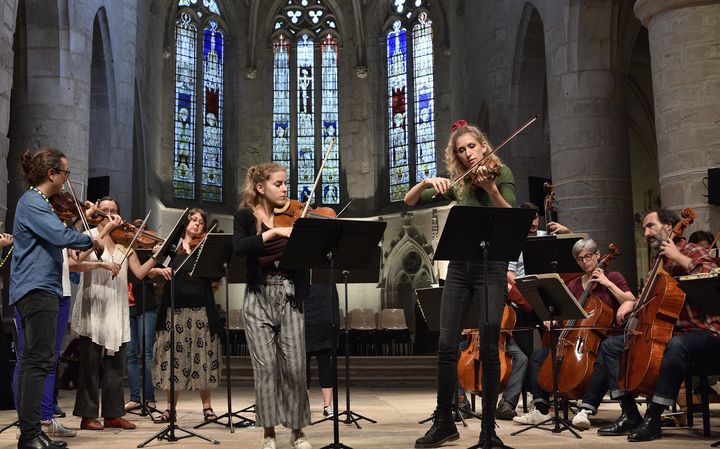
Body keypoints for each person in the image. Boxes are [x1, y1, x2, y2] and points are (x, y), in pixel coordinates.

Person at [405, 120, 515, 449]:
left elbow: (510, 217)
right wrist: (427, 180)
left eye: (471, 147)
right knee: (446, 345)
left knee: (491, 344)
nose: (467, 154)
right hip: (460, 266)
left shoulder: (501, 173)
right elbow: (410, 201)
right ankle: (443, 422)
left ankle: (488, 432)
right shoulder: (461, 183)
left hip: (491, 266)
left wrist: (491, 188)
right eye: (461, 150)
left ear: (484, 146)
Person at [596, 209, 718, 442]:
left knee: (677, 345)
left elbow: (713, 275)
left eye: (650, 226)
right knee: (611, 346)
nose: (646, 232)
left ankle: (653, 418)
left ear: (670, 226)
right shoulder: (658, 262)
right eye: (644, 228)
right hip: (669, 333)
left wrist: (679, 256)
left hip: (704, 332)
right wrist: (631, 303)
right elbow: (647, 298)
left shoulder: (692, 250)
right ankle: (630, 414)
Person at [10, 148, 103, 449]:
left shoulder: (39, 203)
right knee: (37, 362)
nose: (67, 179)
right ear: (51, 174)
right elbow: (61, 237)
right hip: (37, 290)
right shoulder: (33, 202)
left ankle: (32, 431)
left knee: (33, 362)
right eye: (65, 173)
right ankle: (30, 434)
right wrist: (91, 237)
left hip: (38, 288)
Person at [512, 238, 635, 429]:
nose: (584, 262)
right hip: (573, 339)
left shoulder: (614, 276)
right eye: (579, 259)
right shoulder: (574, 284)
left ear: (597, 256)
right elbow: (563, 314)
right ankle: (541, 409)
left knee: (603, 356)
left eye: (588, 257)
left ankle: (586, 409)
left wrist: (607, 283)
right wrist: (552, 319)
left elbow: (630, 299)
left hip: (606, 337)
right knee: (538, 356)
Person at [233, 163, 312, 449]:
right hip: (258, 296)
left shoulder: (293, 216)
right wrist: (276, 233)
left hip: (290, 293)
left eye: (285, 184)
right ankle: (268, 434)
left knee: (295, 367)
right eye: (278, 184)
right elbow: (240, 247)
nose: (284, 189)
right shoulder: (245, 216)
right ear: (260, 188)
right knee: (265, 368)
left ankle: (297, 430)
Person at [70, 196, 164, 431]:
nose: (110, 215)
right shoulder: (89, 236)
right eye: (104, 211)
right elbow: (76, 261)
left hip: (116, 307)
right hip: (93, 305)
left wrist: (155, 257)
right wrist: (104, 232)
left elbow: (140, 273)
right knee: (90, 366)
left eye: (114, 211)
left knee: (116, 365)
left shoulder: (125, 243)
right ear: (97, 214)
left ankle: (113, 414)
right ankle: (88, 415)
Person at [151, 208, 222, 424]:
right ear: (185, 222)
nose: (197, 224)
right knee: (173, 361)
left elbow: (217, 275)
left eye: (201, 222)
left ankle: (207, 408)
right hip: (174, 311)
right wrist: (158, 269)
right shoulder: (171, 248)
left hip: (201, 310)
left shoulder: (204, 249)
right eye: (194, 220)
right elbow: (149, 271)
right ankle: (170, 409)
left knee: (203, 359)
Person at [304, 284, 338, 417]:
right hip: (303, 307)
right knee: (303, 363)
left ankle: (328, 406)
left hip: (324, 309)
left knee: (324, 360)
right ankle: (304, 406)